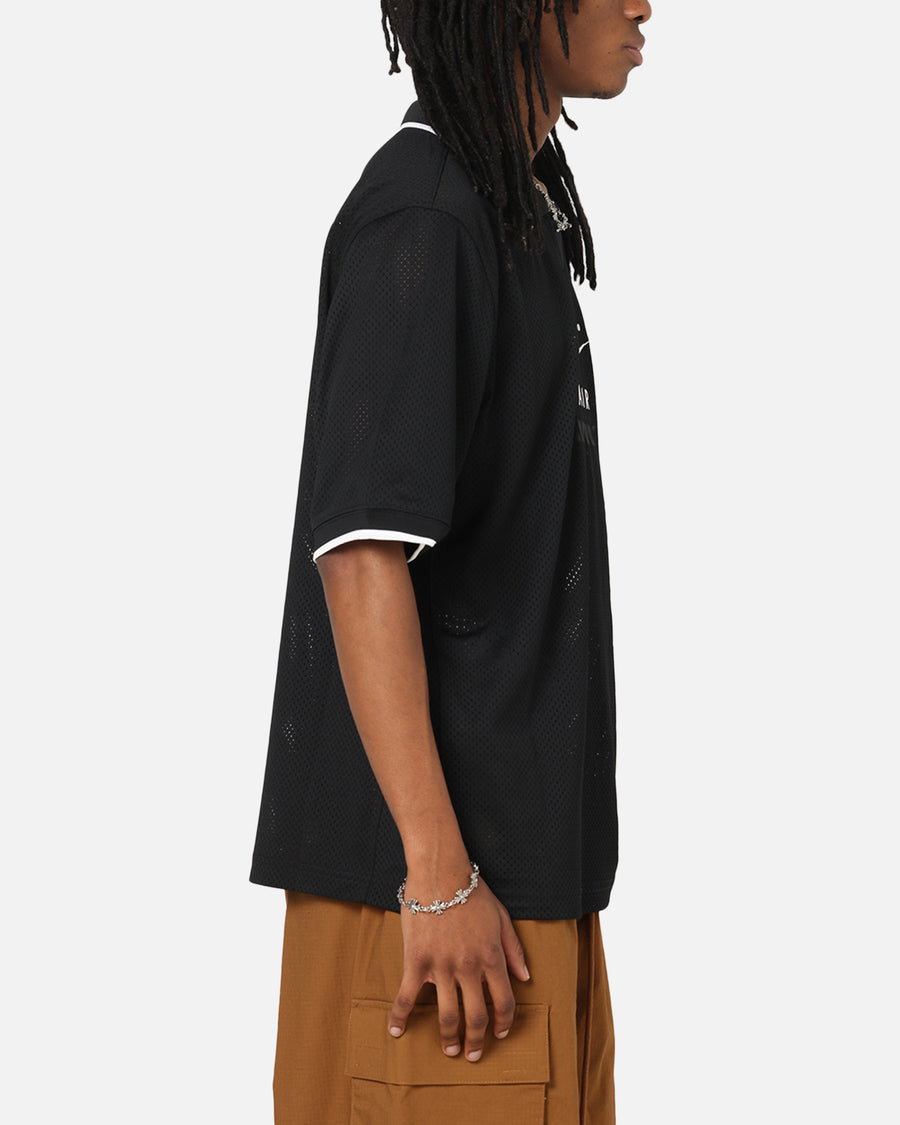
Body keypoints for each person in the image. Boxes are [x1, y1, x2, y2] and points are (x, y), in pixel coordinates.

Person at [249, 1, 651, 1120]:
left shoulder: (504, 208)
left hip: (512, 900)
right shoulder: (425, 217)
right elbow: (360, 554)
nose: (642, 4)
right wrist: (437, 874)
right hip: (436, 913)